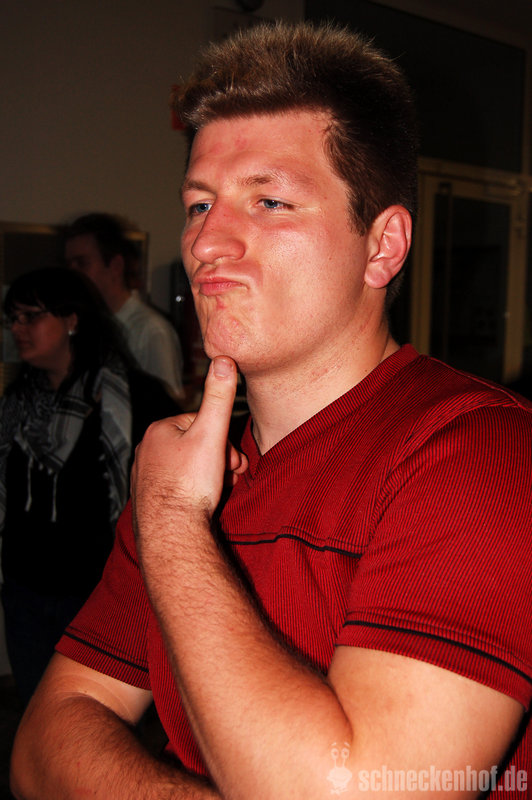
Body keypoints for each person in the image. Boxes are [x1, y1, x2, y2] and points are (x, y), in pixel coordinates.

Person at [11, 22, 531, 800]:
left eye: (270, 200)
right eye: (199, 204)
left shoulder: (483, 452)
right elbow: (42, 744)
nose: (206, 244)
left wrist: (174, 526)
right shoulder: (187, 470)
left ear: (383, 247)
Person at [0, 267, 179, 705]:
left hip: (98, 592)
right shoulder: (16, 403)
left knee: (91, 713)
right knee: (36, 709)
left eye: (30, 316)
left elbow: (166, 492)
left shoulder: (132, 397)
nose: (18, 329)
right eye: (13, 319)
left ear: (71, 320)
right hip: (25, 590)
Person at [63, 212, 185, 401]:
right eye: (69, 264)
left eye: (82, 263)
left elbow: (167, 406)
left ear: (116, 266)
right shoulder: (86, 324)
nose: (73, 273)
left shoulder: (151, 330)